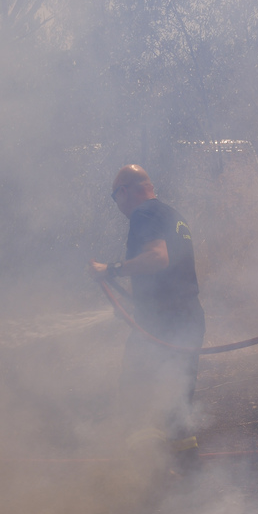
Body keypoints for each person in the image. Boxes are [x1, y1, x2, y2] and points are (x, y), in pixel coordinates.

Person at [89, 165, 206, 465]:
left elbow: (158, 258)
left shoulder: (143, 214)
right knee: (178, 400)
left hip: (162, 323)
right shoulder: (171, 214)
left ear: (124, 192)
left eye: (115, 198)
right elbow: (171, 276)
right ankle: (187, 473)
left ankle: (144, 469)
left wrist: (110, 269)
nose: (118, 207)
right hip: (187, 318)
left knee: (136, 392)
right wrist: (136, 304)